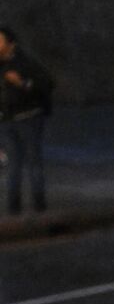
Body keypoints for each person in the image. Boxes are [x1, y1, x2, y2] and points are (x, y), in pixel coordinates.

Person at [0, 26, 54, 215]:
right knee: (13, 163)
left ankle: (39, 205)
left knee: (33, 161)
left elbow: (48, 82)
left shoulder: (25, 62)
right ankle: (13, 207)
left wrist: (23, 83)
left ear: (10, 44)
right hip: (6, 120)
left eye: (0, 40)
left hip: (28, 118)